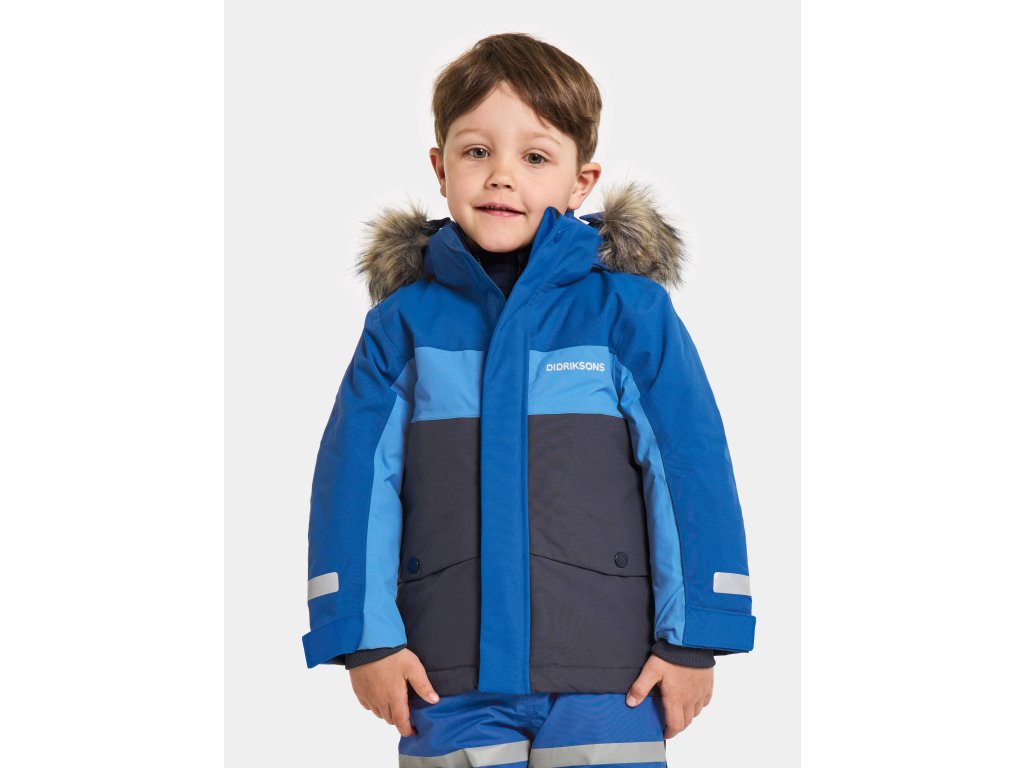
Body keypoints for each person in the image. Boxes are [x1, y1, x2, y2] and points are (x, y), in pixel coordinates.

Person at [301, 32, 756, 766]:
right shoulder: (403, 327)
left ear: (582, 181)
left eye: (535, 157)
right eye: (477, 151)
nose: (501, 176)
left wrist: (695, 636)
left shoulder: (629, 316)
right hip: (444, 674)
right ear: (440, 167)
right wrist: (365, 638)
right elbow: (354, 485)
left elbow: (690, 471)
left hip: (610, 671)